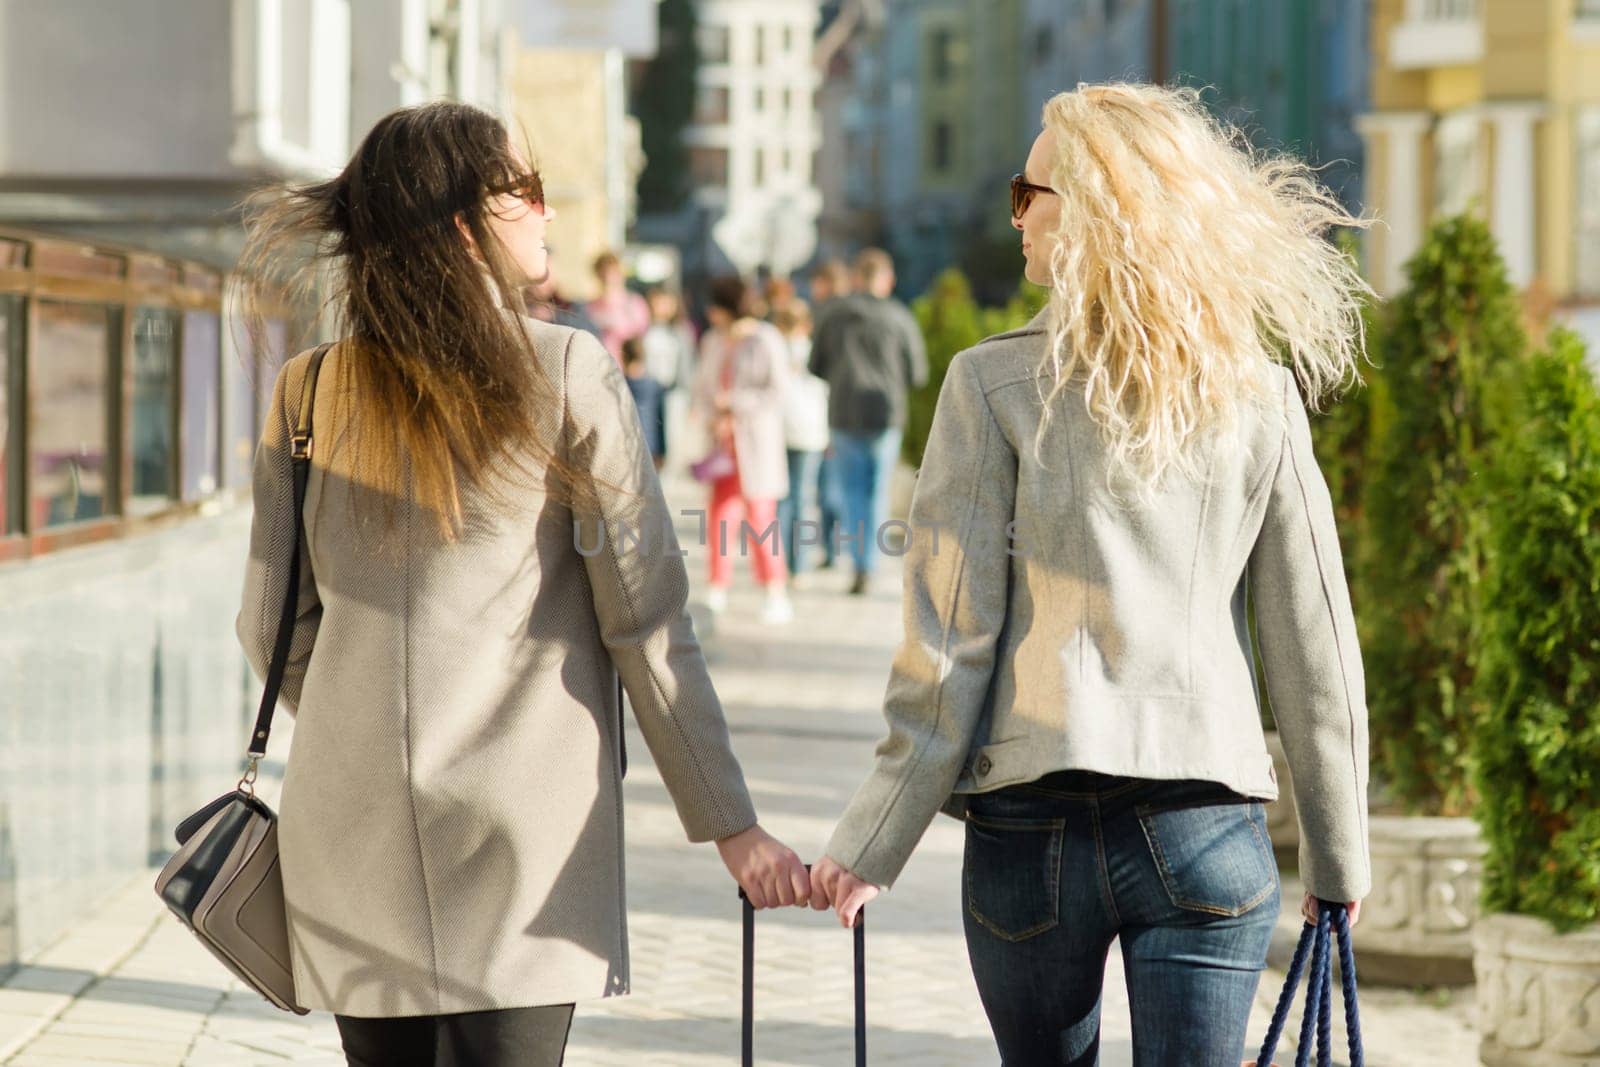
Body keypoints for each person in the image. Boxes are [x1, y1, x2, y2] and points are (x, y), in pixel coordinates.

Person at [233, 102, 809, 1067]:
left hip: (351, 818)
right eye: (527, 191)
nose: (549, 212)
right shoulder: (567, 370)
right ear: (467, 221)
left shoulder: (307, 390)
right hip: (522, 828)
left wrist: (355, 715)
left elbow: (269, 623)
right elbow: (647, 618)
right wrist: (730, 824)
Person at [810, 83, 1373, 1066]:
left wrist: (872, 841)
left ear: (1096, 213)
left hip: (1033, 827)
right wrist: (1337, 851)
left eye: (1033, 190)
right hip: (1205, 821)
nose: (1016, 210)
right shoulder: (1261, 395)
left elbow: (948, 644)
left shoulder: (987, 383)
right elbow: (1312, 642)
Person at [808, 248, 927, 595]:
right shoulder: (899, 317)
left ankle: (859, 562)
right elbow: (917, 372)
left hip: (844, 411)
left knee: (850, 492)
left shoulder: (833, 314)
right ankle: (869, 563)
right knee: (876, 492)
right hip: (886, 413)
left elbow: (815, 365)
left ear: (857, 277)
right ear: (887, 280)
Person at [691, 275, 793, 624]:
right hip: (722, 448)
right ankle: (718, 586)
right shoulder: (713, 341)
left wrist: (734, 403)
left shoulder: (765, 339)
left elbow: (778, 391)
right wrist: (710, 415)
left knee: (762, 520)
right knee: (720, 518)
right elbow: (702, 388)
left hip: (755, 445)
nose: (710, 314)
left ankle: (774, 589)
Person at [771, 301, 829, 582]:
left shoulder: (774, 350)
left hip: (781, 430)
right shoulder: (818, 350)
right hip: (811, 432)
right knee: (804, 498)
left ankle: (778, 562)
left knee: (782, 499)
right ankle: (801, 565)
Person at [806, 260, 852, 570]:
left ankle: (831, 546)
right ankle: (839, 546)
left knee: (828, 483)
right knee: (839, 481)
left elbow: (815, 365)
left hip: (826, 405)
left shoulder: (825, 315)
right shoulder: (851, 311)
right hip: (847, 405)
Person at [639, 286, 698, 467]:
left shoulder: (680, 331)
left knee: (672, 438)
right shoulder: (643, 329)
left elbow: (687, 365)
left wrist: (692, 400)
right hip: (648, 391)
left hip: (673, 391)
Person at [584, 251, 651, 366]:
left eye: (612, 272)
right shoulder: (590, 306)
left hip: (627, 371)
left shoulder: (634, 304)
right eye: (603, 272)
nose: (608, 277)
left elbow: (640, 340)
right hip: (599, 368)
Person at [621, 336, 666, 471]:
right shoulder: (654, 385)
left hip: (626, 445)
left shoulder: (618, 384)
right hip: (651, 445)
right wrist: (663, 451)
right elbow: (661, 420)